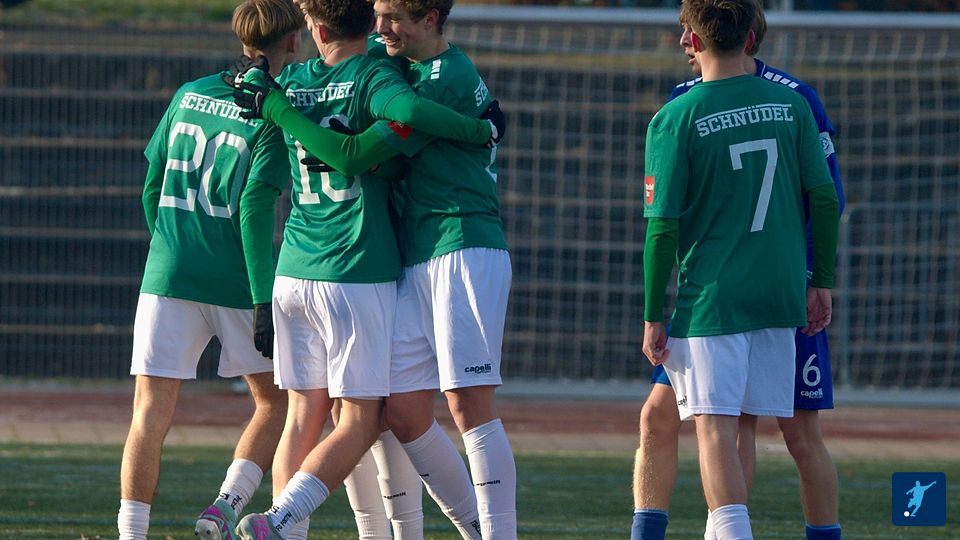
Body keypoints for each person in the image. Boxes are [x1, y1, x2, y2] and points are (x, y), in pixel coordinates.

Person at [224, 0, 506, 538]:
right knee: (361, 419)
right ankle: (283, 521)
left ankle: (315, 530)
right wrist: (481, 129)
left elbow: (261, 189)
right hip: (356, 268)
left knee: (305, 418)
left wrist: (266, 87)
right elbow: (392, 128)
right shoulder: (375, 76)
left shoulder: (293, 81)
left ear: (315, 28)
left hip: (294, 268)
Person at [631, 2, 845, 539]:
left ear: (698, 39)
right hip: (781, 296)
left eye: (687, 31)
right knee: (688, 420)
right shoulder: (790, 104)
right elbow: (826, 199)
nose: (682, 40)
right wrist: (820, 279)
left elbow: (662, 228)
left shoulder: (678, 114)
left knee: (721, 434)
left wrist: (653, 312)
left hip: (714, 298)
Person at [116, 2, 303, 540]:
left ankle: (131, 533)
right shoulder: (274, 112)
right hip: (237, 280)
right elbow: (254, 212)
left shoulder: (188, 93)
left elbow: (152, 187)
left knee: (149, 411)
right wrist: (262, 297)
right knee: (276, 402)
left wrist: (170, 247)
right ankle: (226, 504)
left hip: (168, 273)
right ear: (293, 42)